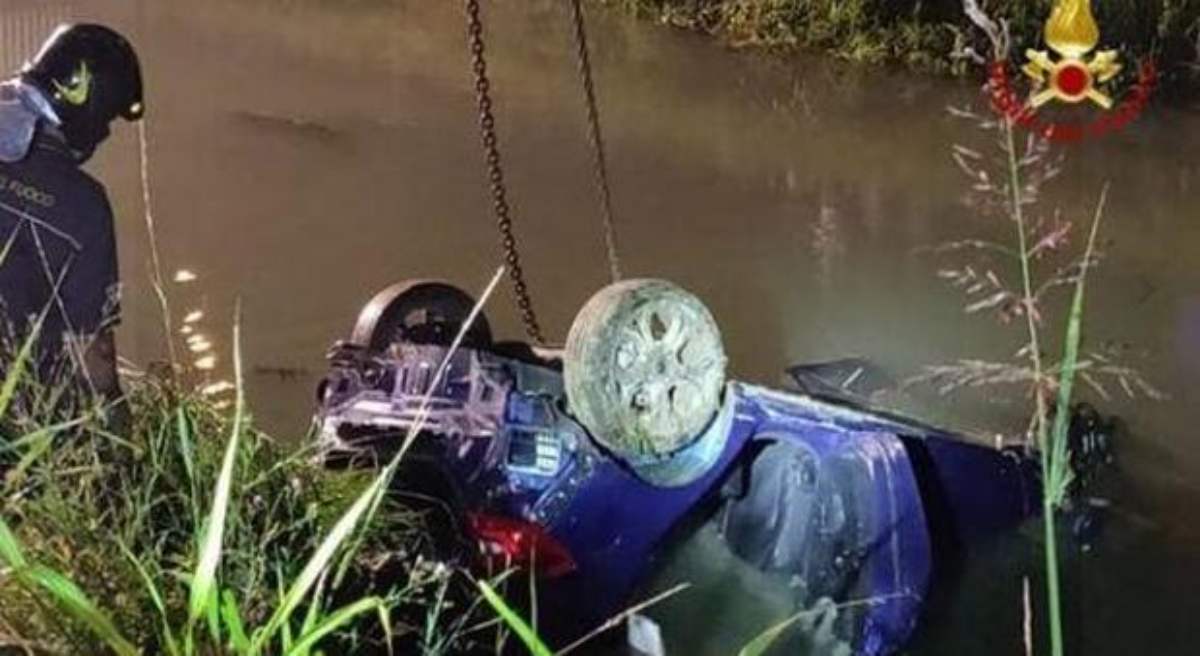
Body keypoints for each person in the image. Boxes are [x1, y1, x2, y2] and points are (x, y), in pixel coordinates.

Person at [0, 23, 143, 407]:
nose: (105, 132)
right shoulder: (82, 206)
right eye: (108, 118)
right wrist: (119, 420)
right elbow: (92, 355)